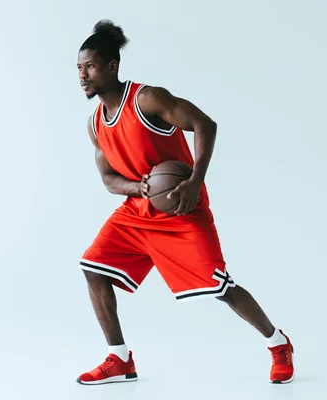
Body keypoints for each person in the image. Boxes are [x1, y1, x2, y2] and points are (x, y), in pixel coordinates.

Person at [75, 19, 295, 385]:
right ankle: (120, 358)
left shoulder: (146, 99)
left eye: (91, 66)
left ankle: (278, 344)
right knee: (92, 267)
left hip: (181, 206)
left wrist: (195, 182)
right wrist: (139, 188)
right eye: (79, 68)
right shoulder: (95, 122)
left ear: (112, 66)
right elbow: (109, 180)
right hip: (138, 212)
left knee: (220, 286)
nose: (83, 75)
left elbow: (205, 124)